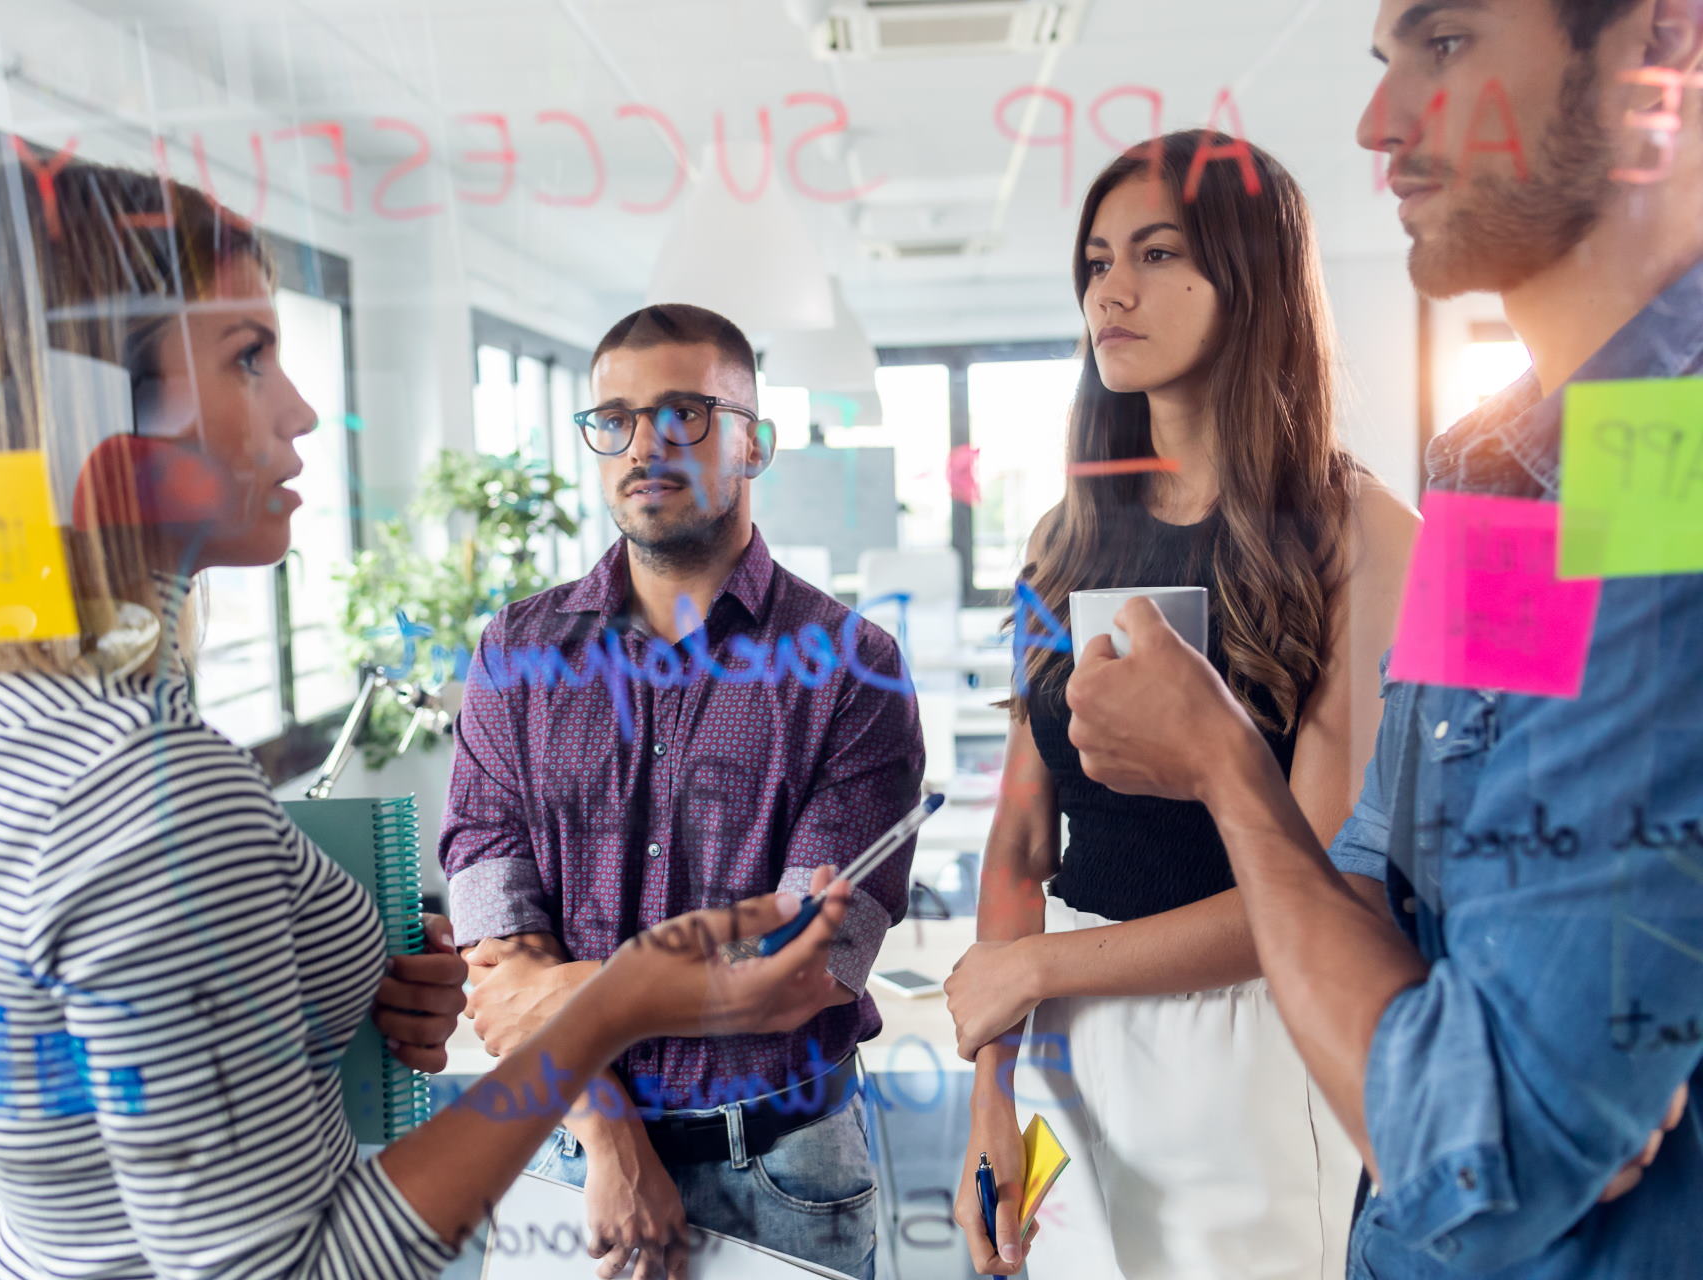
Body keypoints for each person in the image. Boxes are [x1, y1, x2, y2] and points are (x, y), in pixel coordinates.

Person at [0, 160, 856, 1280]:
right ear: (98, 408)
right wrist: (619, 998)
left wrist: (336, 972)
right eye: (249, 357)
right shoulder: (151, 789)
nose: (303, 408)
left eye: (686, 414)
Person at [1063, 1, 1702, 1276]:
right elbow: (1386, 860)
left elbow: (1484, 1154)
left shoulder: (1667, 463)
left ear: (1660, 44)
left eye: (1448, 43)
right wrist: (1465, 1013)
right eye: (1385, 60)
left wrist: (1227, 769)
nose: (1379, 121)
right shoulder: (1502, 474)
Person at [943, 130, 1422, 1279]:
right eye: (1099, 260)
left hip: (1251, 1038)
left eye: (1157, 254)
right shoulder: (1060, 548)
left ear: (1248, 277)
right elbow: (1021, 834)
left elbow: (1316, 887)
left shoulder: (1361, 535)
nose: (1113, 288)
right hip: (1061, 1043)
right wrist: (992, 1093)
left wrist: (1040, 970)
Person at [439, 303, 925, 1280]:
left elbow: (801, 970)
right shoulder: (514, 654)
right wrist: (611, 1131)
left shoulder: (852, 669)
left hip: (787, 1172)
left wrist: (566, 994)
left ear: (757, 442)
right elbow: (497, 948)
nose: (643, 442)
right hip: (569, 1150)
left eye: (686, 413)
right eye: (612, 417)